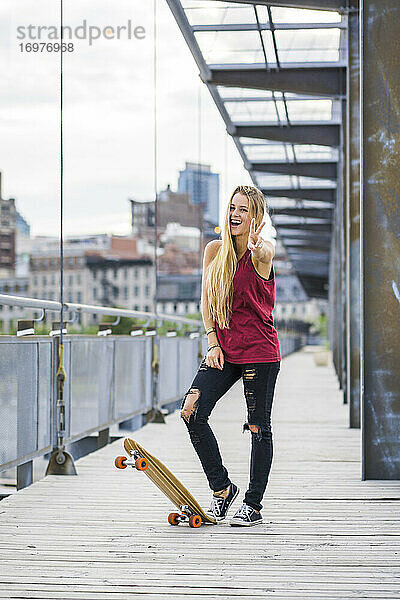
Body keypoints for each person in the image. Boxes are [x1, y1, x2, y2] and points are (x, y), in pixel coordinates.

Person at [180, 185, 281, 527]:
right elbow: (206, 302)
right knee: (191, 412)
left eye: (244, 210)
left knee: (258, 426)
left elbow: (267, 251)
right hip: (223, 348)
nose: (236, 215)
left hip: (259, 350)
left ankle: (253, 504)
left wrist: (259, 244)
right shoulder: (214, 251)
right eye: (232, 208)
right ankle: (222, 488)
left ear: (257, 218)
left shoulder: (260, 253)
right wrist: (212, 342)